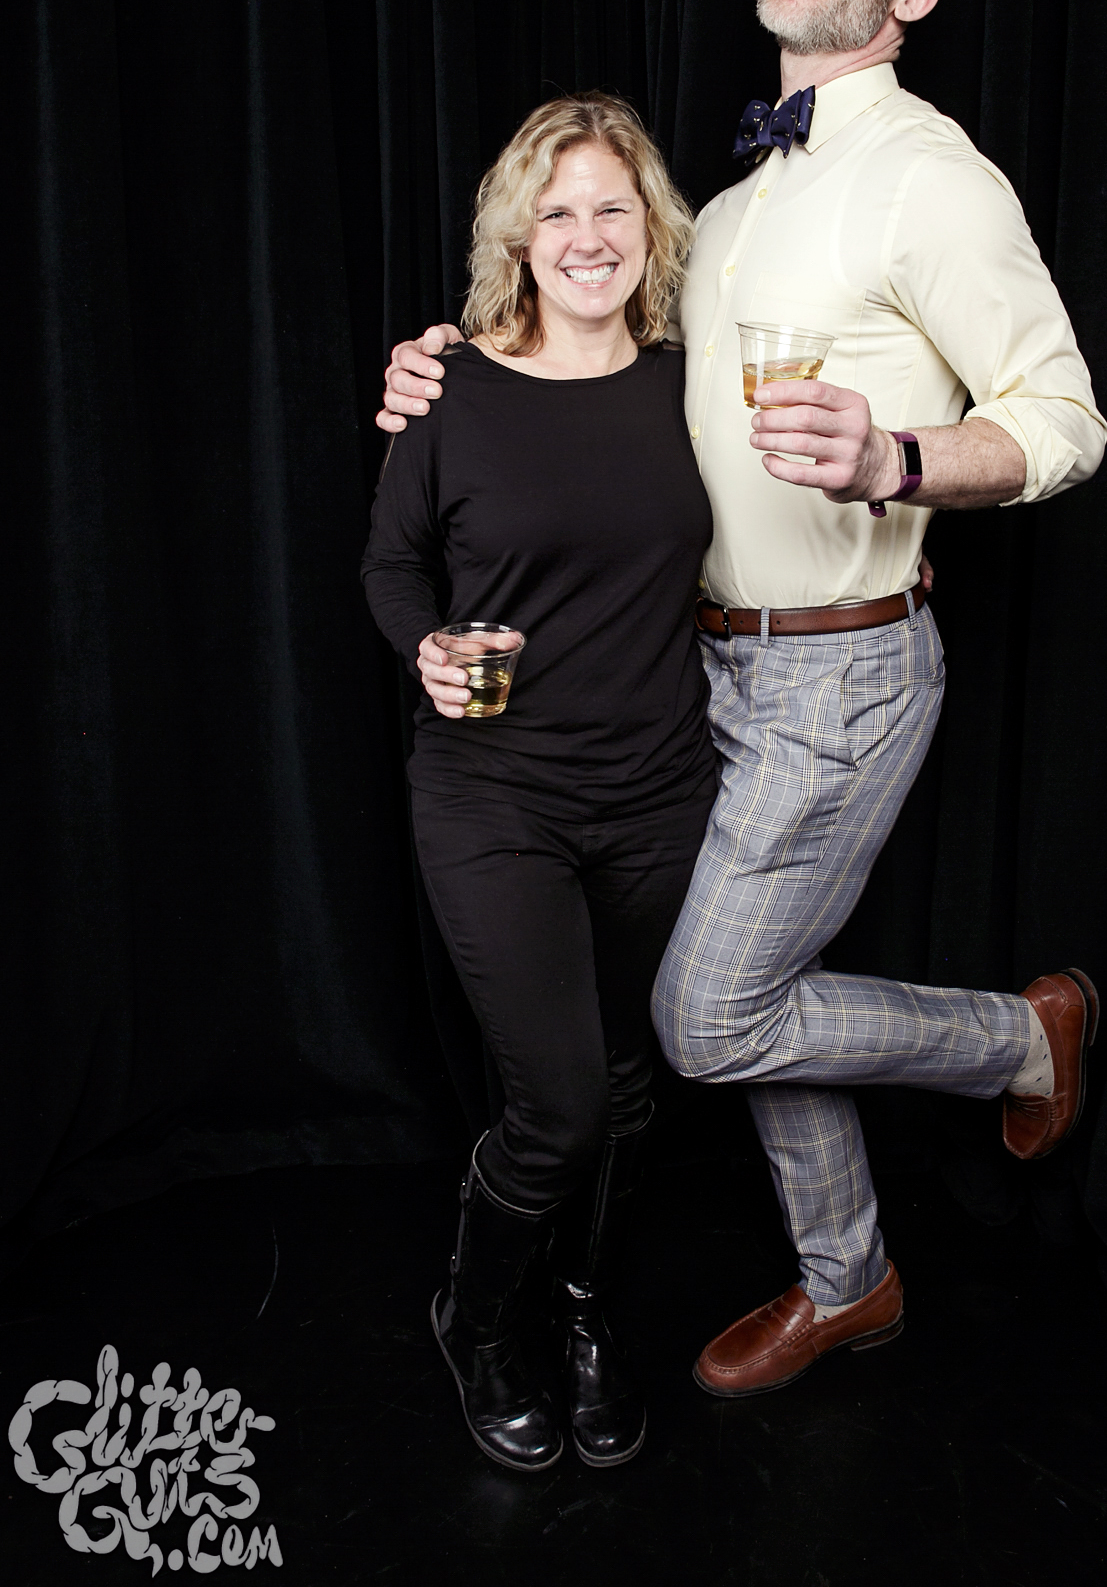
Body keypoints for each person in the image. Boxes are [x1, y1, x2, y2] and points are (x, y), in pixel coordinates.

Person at [378, 0, 1107, 1402]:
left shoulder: (931, 182)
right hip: (696, 679)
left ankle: (1018, 1040)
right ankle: (849, 1278)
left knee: (710, 1019)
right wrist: (442, 373)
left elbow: (1063, 421)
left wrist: (898, 457)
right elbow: (590, 363)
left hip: (836, 677)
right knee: (765, 990)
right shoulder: (731, 206)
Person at [361, 94, 718, 1472]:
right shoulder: (450, 390)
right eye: (555, 212)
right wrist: (426, 648)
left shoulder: (692, 382)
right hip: (493, 796)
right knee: (559, 1104)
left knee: (627, 1087)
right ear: (516, 238)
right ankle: (478, 1320)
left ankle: (581, 1317)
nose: (586, 236)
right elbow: (392, 563)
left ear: (652, 230)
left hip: (658, 793)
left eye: (612, 208)